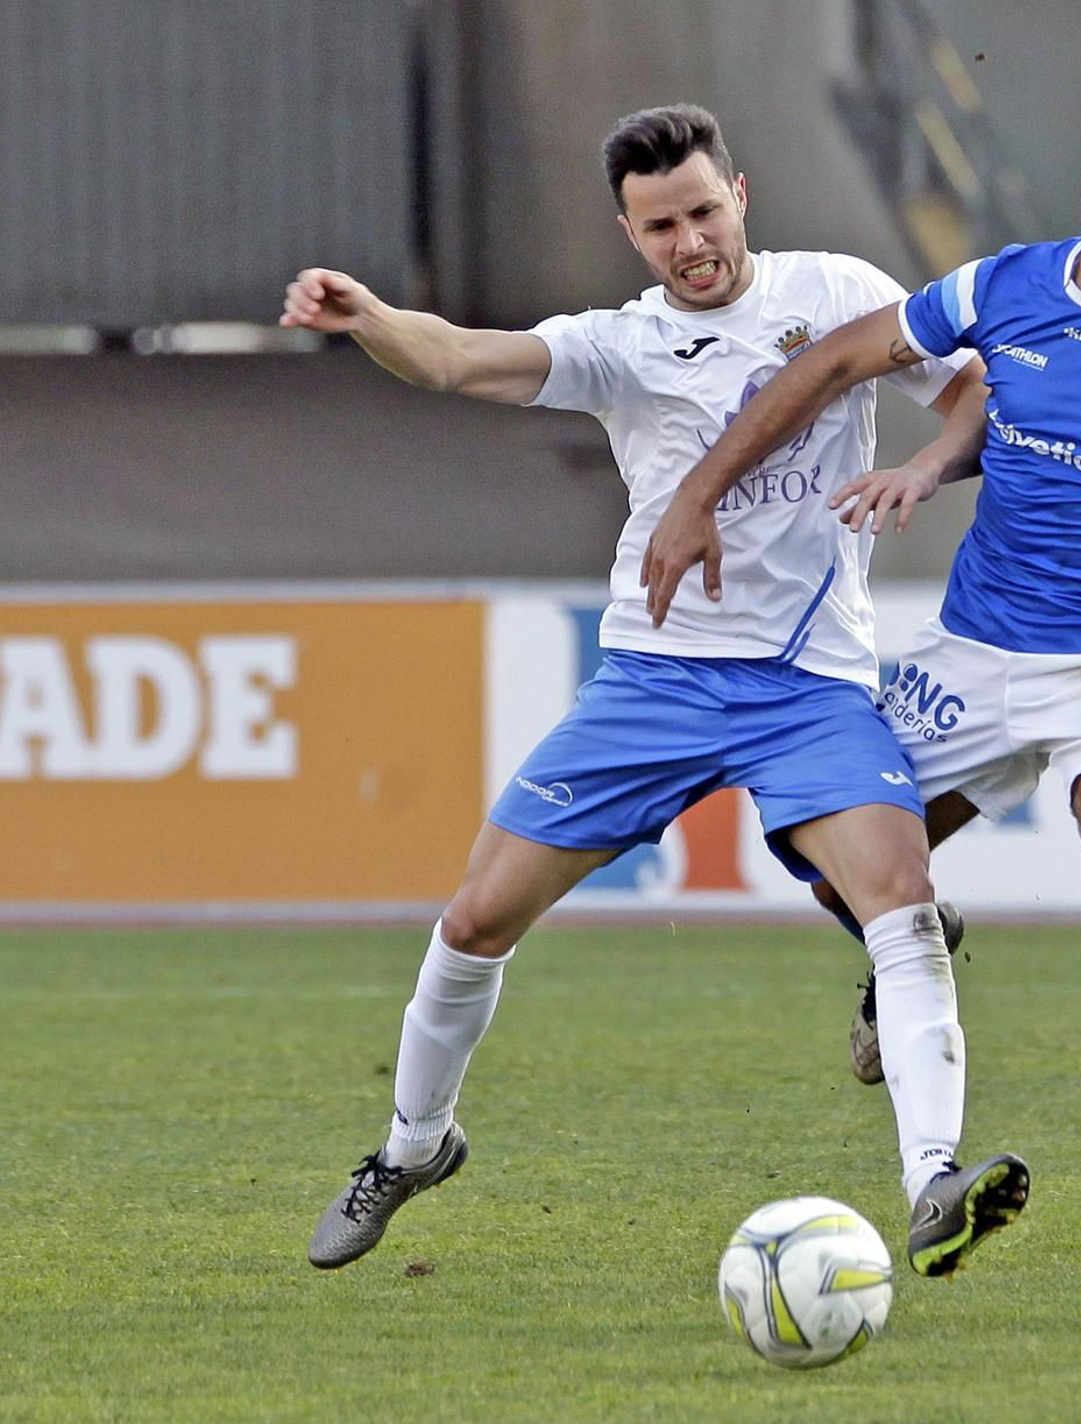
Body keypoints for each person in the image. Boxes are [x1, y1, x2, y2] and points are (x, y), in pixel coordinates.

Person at [280, 104, 1029, 1277]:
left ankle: (931, 1176)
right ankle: (413, 1145)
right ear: (630, 235)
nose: (690, 242)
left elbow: (977, 386)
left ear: (741, 190)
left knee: (903, 895)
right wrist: (367, 316)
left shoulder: (834, 290)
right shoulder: (619, 344)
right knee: (477, 918)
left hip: (809, 684)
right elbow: (456, 356)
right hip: (655, 680)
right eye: (660, 225)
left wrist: (927, 464)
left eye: (701, 211)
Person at [641, 71, 1081, 1257]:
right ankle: (903, 940)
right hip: (972, 653)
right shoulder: (1004, 285)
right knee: (814, 852)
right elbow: (835, 364)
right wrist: (706, 490)